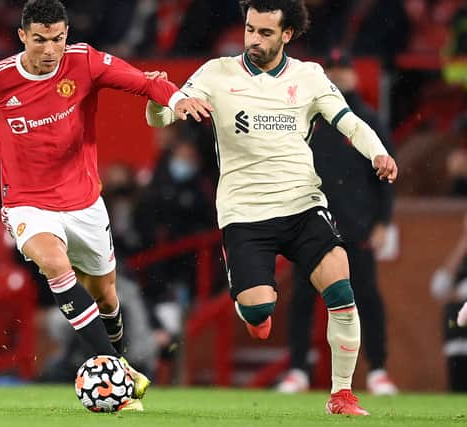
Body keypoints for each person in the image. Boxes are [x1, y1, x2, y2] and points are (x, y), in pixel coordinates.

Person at [0, 0, 211, 409]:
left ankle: (115, 354)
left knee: (107, 295)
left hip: (84, 204)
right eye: (39, 40)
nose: (49, 49)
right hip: (27, 204)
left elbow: (145, 82)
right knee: (55, 264)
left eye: (57, 39)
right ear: (22, 36)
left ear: (66, 35)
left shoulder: (85, 62)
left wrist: (176, 98)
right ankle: (117, 367)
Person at [145, 0, 397, 415]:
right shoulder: (216, 73)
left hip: (303, 204)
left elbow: (349, 121)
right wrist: (162, 102)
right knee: (260, 311)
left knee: (342, 290)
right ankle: (253, 306)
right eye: (249, 30)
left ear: (287, 35)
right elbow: (161, 117)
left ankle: (342, 394)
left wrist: (379, 154)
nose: (254, 40)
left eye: (265, 33)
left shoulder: (309, 76)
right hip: (245, 214)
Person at [276, 50, 398, 396]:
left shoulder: (367, 118)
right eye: (334, 69)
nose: (340, 76)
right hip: (311, 225)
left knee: (367, 299)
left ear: (355, 75)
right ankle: (298, 368)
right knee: (302, 299)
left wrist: (383, 222)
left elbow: (385, 174)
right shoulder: (312, 118)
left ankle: (378, 370)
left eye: (345, 68)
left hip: (356, 228)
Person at [429, 213, 467, 392]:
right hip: (457, 340)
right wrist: (464, 243)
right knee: (458, 387)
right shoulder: (460, 261)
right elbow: (439, 289)